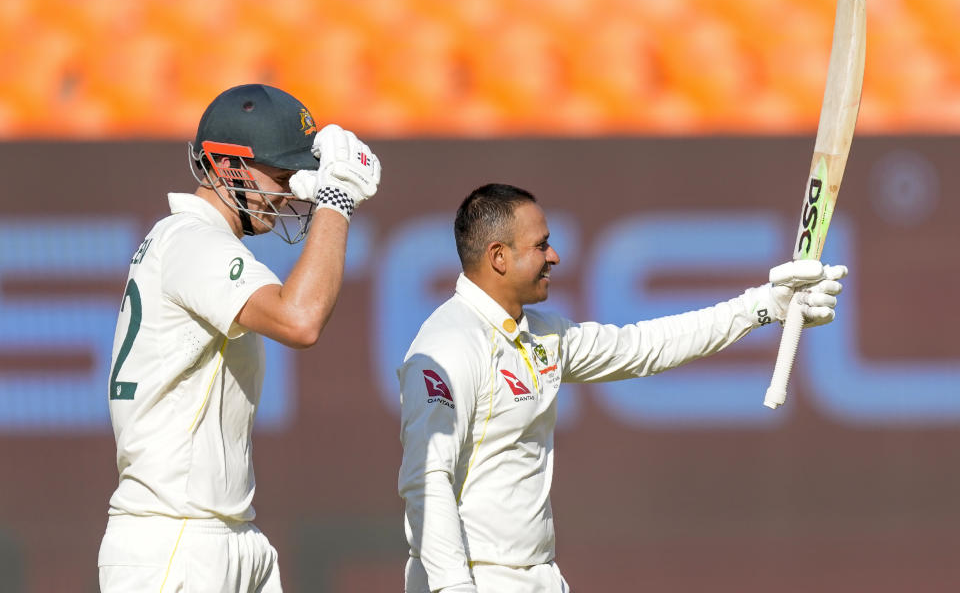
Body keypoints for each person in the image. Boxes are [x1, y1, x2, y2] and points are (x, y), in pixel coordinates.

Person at [397, 183, 847, 593]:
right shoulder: (448, 346)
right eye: (541, 245)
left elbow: (644, 347)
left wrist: (766, 305)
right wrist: (454, 588)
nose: (554, 257)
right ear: (499, 256)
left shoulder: (541, 334)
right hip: (473, 579)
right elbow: (427, 478)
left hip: (536, 577)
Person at [97, 83, 380, 592]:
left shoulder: (191, 241)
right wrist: (337, 201)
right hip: (175, 539)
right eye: (281, 175)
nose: (294, 190)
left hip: (218, 532)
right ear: (228, 166)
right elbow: (299, 320)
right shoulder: (191, 240)